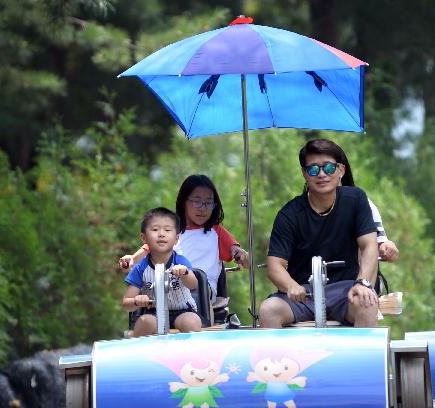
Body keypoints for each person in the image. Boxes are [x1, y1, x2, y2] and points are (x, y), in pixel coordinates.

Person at [259, 139, 380, 328]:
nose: (322, 174)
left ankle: (360, 358)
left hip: (347, 289)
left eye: (329, 168)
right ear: (304, 174)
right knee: (269, 309)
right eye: (314, 169)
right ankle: (279, 358)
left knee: (367, 302)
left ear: (341, 170)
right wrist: (290, 286)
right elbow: (275, 266)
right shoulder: (288, 215)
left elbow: (369, 245)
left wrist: (363, 283)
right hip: (303, 296)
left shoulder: (356, 199)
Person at [119, 175, 250, 306]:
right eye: (197, 201)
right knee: (145, 290)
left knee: (192, 287)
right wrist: (132, 259)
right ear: (183, 202)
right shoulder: (172, 230)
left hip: (201, 291)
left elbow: (238, 253)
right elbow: (149, 248)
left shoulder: (216, 232)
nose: (203, 208)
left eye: (208, 202)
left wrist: (241, 255)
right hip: (170, 286)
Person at [122, 207, 202, 336]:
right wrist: (137, 300)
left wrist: (185, 273)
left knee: (191, 322)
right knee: (144, 322)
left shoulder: (181, 261)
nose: (161, 234)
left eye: (167, 230)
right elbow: (127, 303)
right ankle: (140, 354)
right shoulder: (140, 268)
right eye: (155, 230)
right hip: (152, 312)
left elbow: (193, 284)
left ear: (176, 239)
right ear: (144, 238)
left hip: (183, 311)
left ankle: (193, 354)